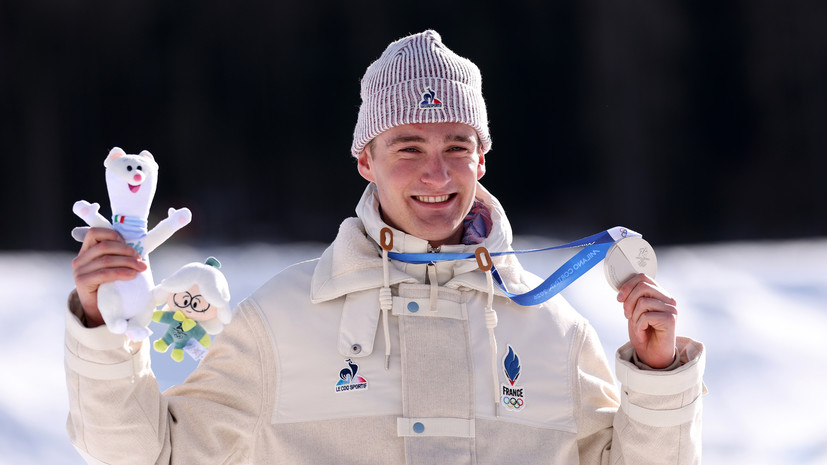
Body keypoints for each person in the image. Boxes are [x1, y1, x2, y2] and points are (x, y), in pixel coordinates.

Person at [65, 30, 706, 464]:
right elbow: (149, 455)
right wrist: (100, 328)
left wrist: (655, 382)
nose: (437, 174)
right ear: (365, 160)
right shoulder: (283, 319)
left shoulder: (556, 334)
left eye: (457, 146)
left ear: (482, 160)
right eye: (408, 148)